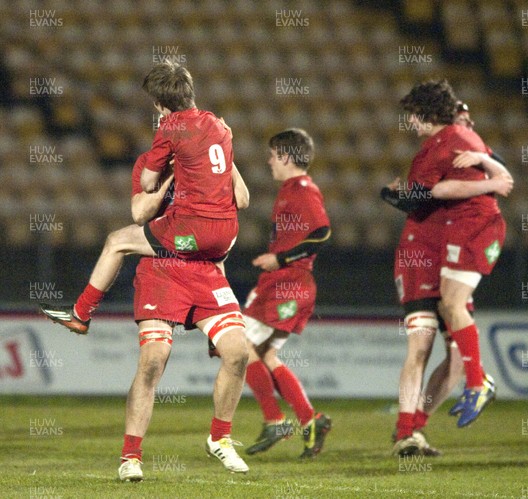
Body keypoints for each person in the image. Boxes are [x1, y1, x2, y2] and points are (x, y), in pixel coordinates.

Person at [40, 61, 239, 334]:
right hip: (227, 236)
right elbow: (244, 198)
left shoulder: (171, 128)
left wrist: (167, 172)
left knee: (116, 242)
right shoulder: (219, 127)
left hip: (192, 233)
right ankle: (218, 334)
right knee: (212, 259)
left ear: (158, 104)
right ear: (190, 92)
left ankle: (81, 314)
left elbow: (145, 190)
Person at [382, 88, 512, 456]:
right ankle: (406, 430)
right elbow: (423, 199)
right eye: (463, 119)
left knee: (456, 356)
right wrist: (392, 195)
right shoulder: (437, 150)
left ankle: (415, 427)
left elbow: (496, 174)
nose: (469, 125)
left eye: (412, 114)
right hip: (420, 253)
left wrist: (492, 171)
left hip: (451, 251)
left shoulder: (460, 145)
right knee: (420, 344)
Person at [118, 150, 251, 480]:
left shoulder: (213, 164)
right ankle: (131, 456)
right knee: (153, 359)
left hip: (204, 271)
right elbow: (139, 213)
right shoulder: (154, 166)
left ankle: (219, 437)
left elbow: (243, 200)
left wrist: (228, 156)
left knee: (238, 352)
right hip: (162, 268)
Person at [239, 128, 332, 459]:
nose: (268, 161)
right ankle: (311, 420)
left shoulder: (303, 189)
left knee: (238, 347)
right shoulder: (290, 190)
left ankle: (275, 420)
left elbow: (323, 232)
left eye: (272, 154)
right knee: (264, 355)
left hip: (288, 282)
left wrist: (281, 258)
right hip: (284, 282)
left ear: (286, 157)